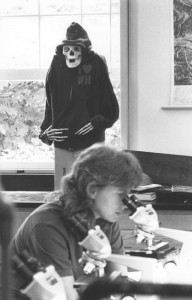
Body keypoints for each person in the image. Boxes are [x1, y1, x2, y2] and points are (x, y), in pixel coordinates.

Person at [9, 143, 145, 300]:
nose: (124, 204)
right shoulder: (46, 225)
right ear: (93, 190)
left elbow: (119, 280)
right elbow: (67, 296)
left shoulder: (107, 220)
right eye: (120, 194)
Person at [39, 22, 119, 189]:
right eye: (67, 49)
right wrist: (45, 131)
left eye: (76, 49)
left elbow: (108, 101)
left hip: (90, 144)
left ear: (84, 48)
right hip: (62, 142)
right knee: (64, 195)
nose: (71, 54)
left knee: (91, 192)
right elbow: (50, 100)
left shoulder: (96, 62)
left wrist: (97, 122)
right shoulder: (57, 63)